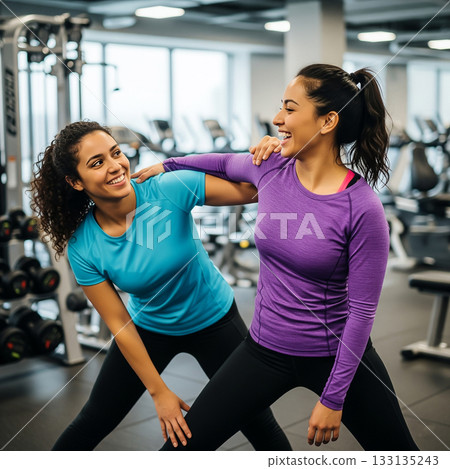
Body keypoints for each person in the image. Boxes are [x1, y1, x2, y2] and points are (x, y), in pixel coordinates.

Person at [133, 64, 419, 450]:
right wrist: (166, 165)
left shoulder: (362, 207)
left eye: (290, 108)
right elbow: (218, 162)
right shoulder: (271, 167)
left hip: (334, 354)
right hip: (264, 349)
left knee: (400, 455)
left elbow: (363, 312)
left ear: (327, 121)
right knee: (180, 450)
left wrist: (334, 399)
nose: (277, 118)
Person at [30, 120, 291, 451]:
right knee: (95, 419)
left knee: (258, 420)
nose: (115, 167)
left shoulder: (166, 188)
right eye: (97, 163)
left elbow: (256, 189)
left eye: (115, 153)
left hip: (215, 320)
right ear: (75, 181)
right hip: (148, 328)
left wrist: (271, 156)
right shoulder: (83, 245)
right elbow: (118, 324)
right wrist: (159, 391)